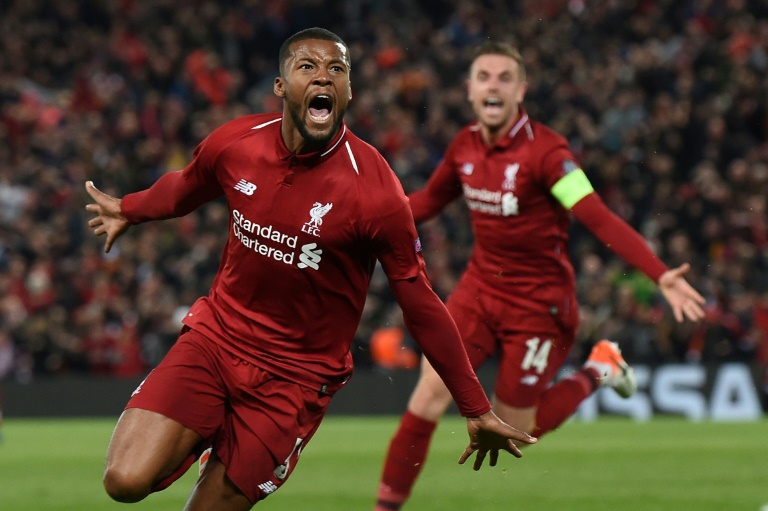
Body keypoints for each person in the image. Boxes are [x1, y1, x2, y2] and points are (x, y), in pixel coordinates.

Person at [84, 28, 535, 511]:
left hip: (295, 379)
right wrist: (130, 208)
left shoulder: (376, 192)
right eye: (307, 67)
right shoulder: (236, 143)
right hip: (215, 342)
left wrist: (474, 405)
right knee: (123, 481)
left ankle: (227, 444)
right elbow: (184, 188)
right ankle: (210, 433)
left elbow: (420, 302)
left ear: (348, 91)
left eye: (336, 69)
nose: (323, 76)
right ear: (281, 86)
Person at [374, 41, 706, 511]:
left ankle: (600, 369)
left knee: (516, 431)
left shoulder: (548, 154)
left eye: (504, 77)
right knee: (428, 393)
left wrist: (658, 274)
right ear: (468, 90)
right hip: (479, 290)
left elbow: (595, 215)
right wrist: (363, 224)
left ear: (521, 90)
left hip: (539, 306)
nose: (493, 85)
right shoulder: (464, 146)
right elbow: (427, 201)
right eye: (484, 77)